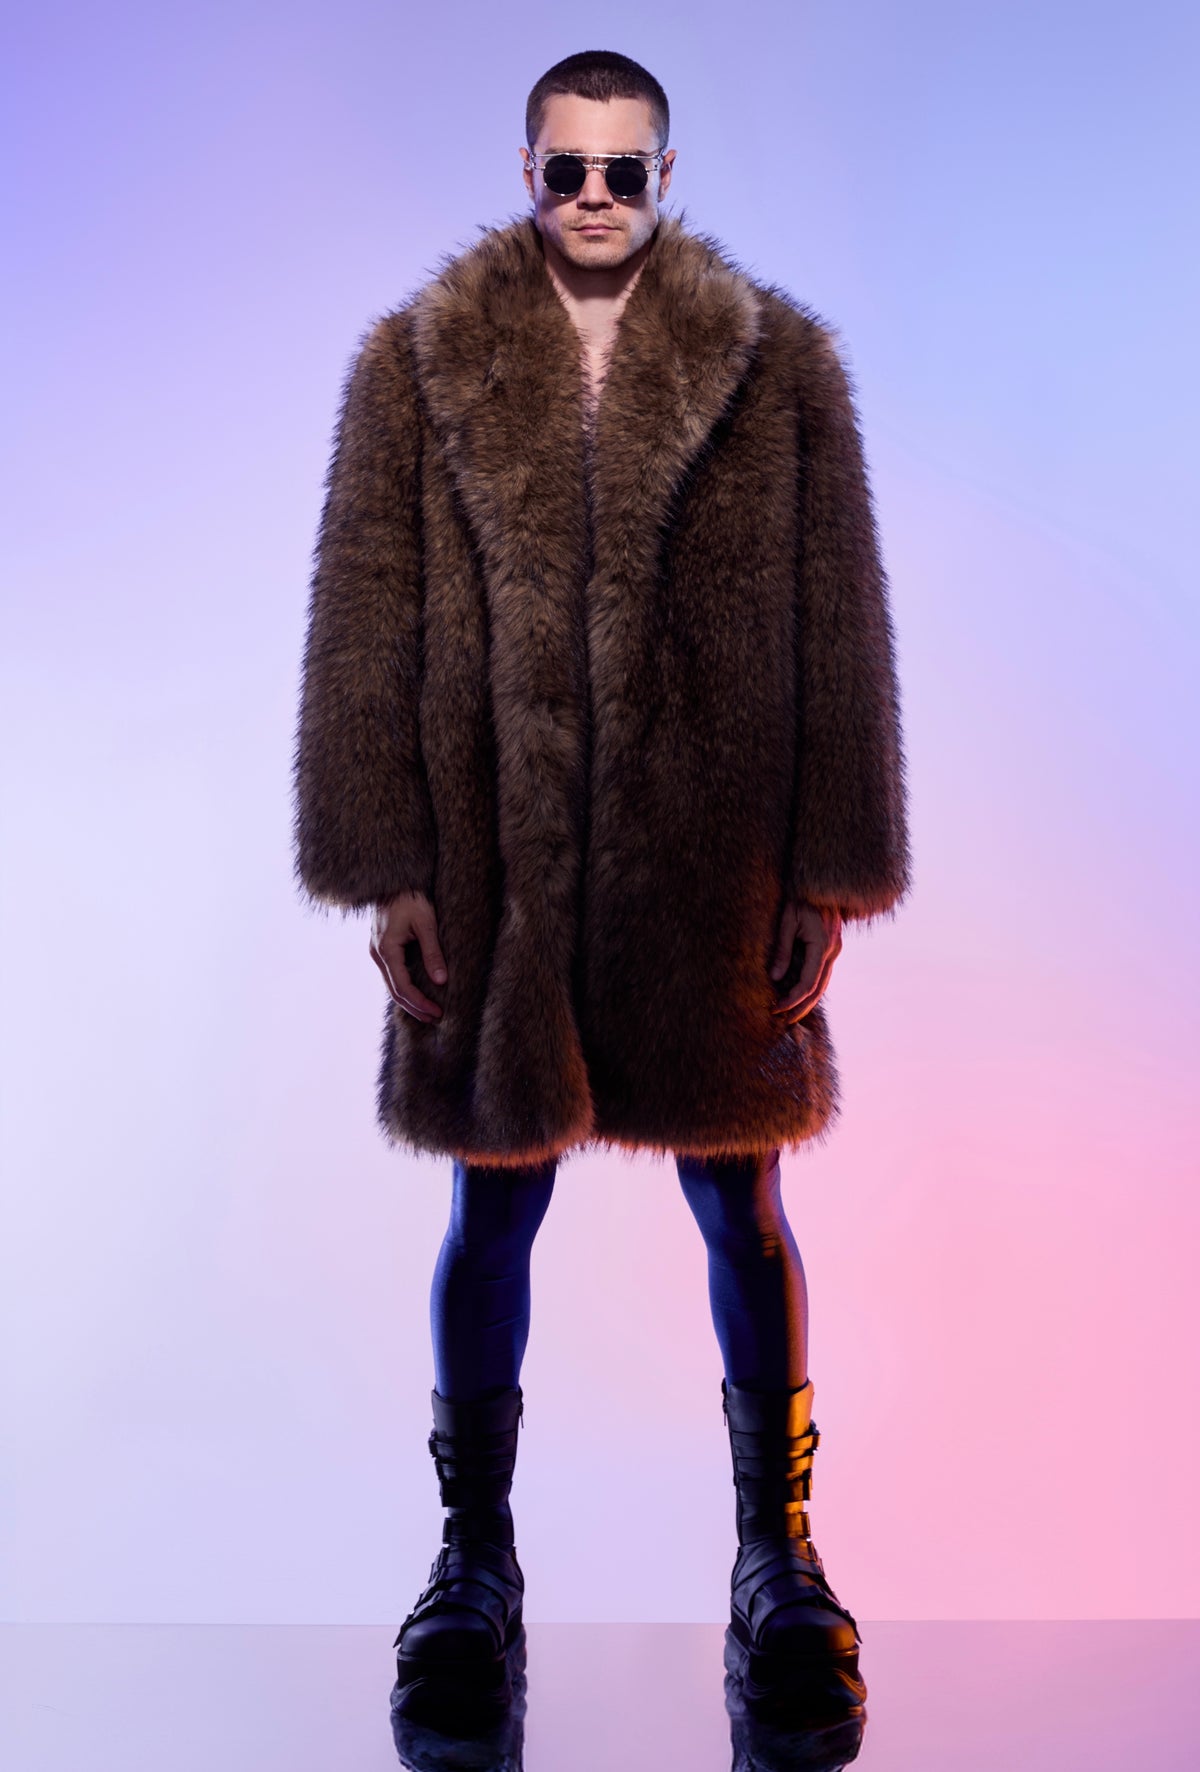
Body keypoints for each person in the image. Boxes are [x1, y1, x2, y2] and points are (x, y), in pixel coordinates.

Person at [291, 49, 911, 1727]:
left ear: (663, 176)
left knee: (743, 1202)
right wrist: (384, 859)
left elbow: (841, 623)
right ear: (527, 172)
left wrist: (833, 864)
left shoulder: (775, 366)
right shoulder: (417, 367)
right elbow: (362, 616)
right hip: (493, 847)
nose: (591, 198)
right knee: (490, 1204)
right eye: (566, 169)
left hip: (711, 848)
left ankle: (779, 1557)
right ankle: (472, 1563)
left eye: (621, 171)